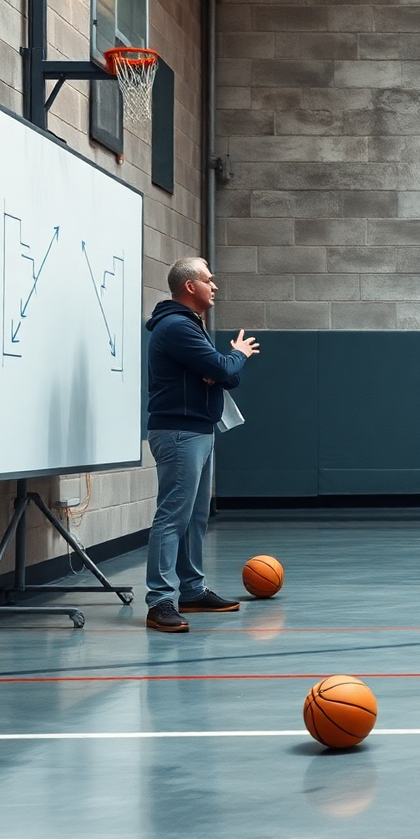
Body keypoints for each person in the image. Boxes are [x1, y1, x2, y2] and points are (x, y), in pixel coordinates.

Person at [144, 257, 259, 632]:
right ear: (190, 286)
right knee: (173, 514)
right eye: (209, 280)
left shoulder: (189, 326)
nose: (215, 286)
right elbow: (226, 370)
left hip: (198, 429)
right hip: (179, 433)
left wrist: (221, 367)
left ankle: (191, 591)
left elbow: (224, 378)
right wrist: (236, 355)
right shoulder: (177, 326)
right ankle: (160, 600)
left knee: (195, 516)